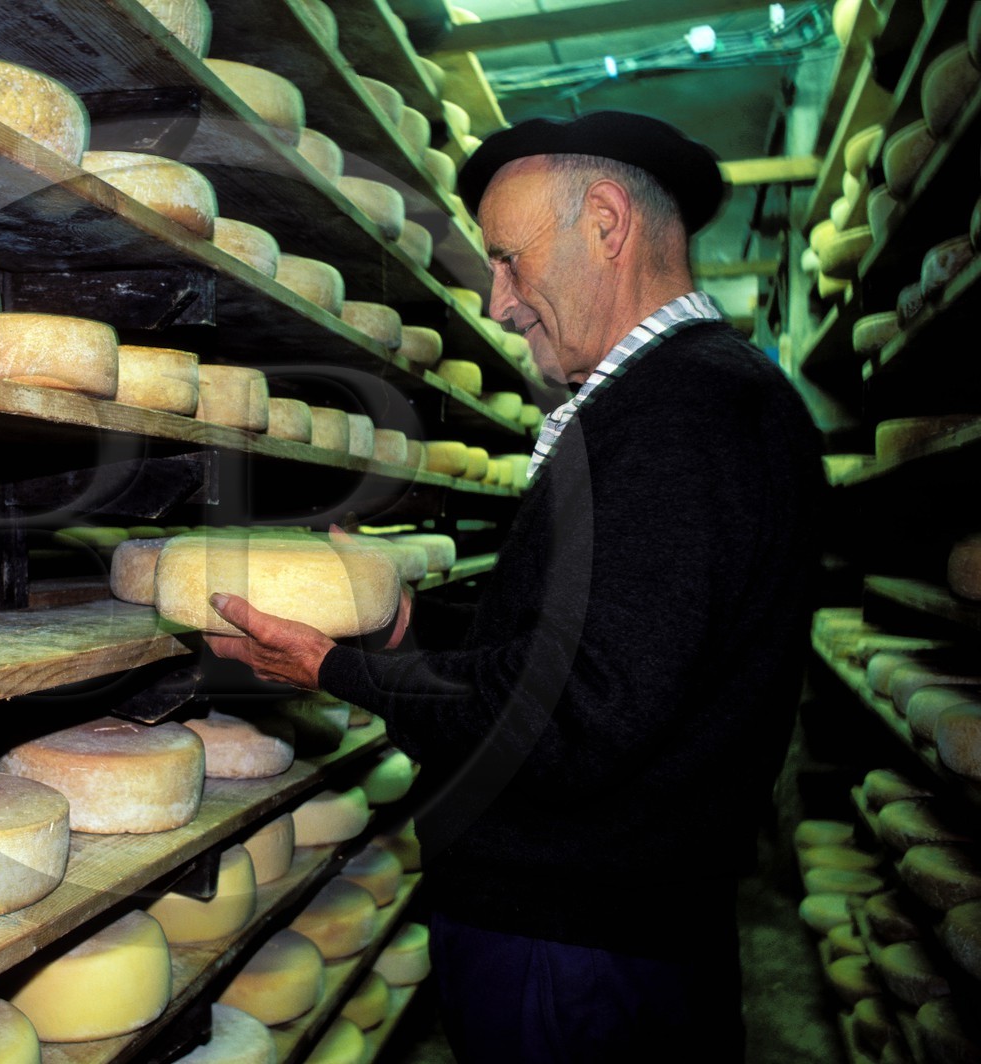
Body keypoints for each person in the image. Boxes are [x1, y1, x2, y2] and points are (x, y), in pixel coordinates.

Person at [205, 111, 824, 1063]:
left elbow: (575, 715)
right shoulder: (683, 401)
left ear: (608, 223)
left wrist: (341, 671)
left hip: (578, 952)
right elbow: (591, 640)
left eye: (508, 260)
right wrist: (415, 624)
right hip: (602, 932)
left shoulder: (685, 414)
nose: (498, 302)